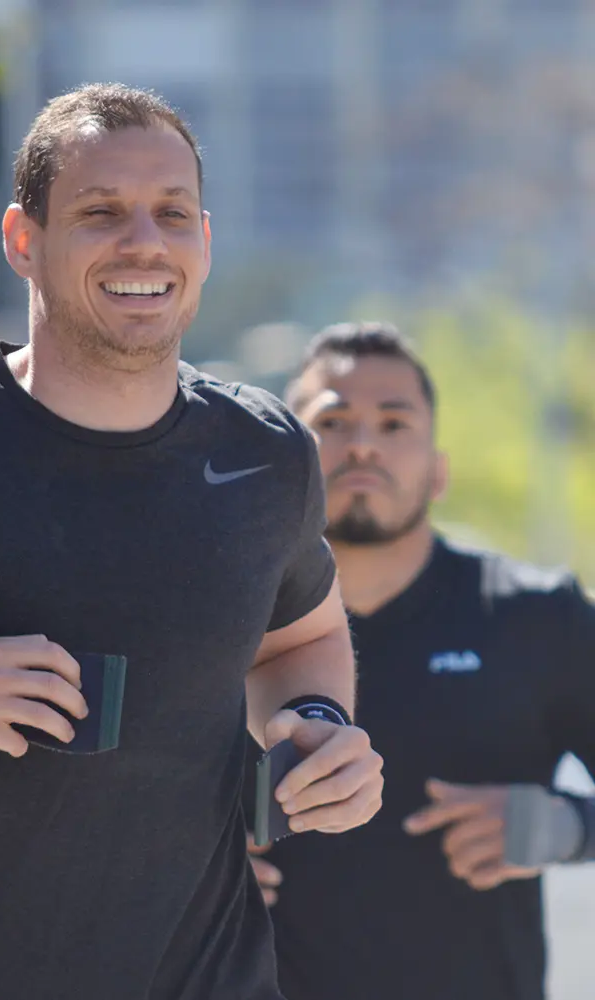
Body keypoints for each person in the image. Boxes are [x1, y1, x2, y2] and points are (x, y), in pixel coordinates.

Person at [0, 85, 383, 1000]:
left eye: (172, 214)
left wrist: (320, 728)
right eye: (101, 212)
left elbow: (301, 637)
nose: (143, 242)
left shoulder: (265, 454)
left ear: (205, 242)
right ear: (23, 241)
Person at [246, 322, 595, 1000]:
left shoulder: (536, 614)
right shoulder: (219, 619)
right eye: (334, 420)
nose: (364, 443)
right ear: (290, 462)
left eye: (395, 422)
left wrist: (565, 826)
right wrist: (185, 863)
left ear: (438, 470)